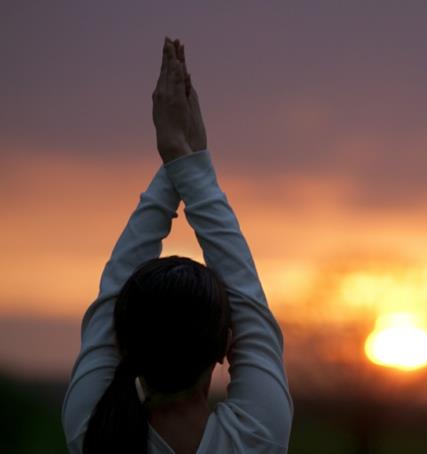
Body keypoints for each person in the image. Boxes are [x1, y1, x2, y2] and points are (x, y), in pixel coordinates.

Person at [61, 36, 293, 453]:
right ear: (227, 345)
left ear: (120, 340)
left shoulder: (94, 434)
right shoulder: (256, 438)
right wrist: (185, 157)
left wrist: (186, 160)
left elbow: (246, 303)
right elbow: (247, 296)